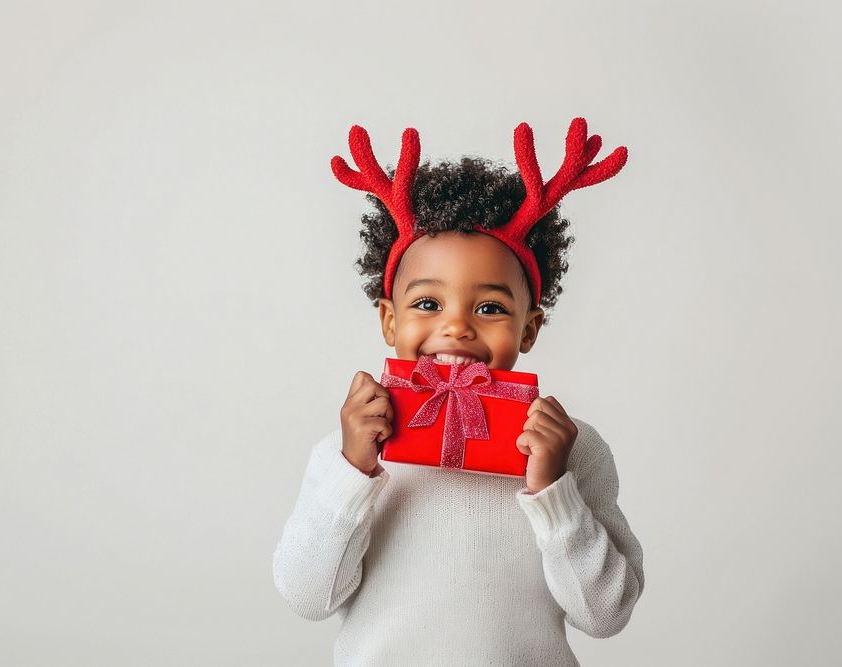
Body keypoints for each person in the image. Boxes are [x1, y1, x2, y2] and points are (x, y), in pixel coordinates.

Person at [272, 118, 645, 665]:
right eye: (428, 303)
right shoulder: (347, 452)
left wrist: (553, 491)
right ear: (389, 321)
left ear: (529, 328)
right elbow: (308, 597)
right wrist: (352, 472)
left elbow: (606, 615)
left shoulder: (573, 449)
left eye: (490, 307)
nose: (457, 327)